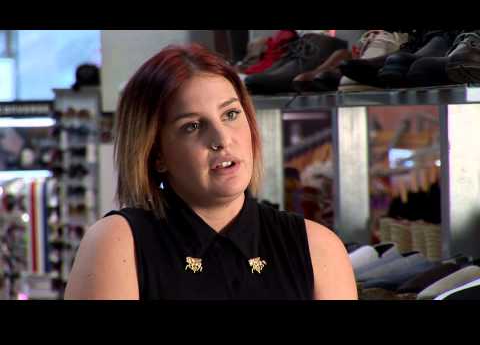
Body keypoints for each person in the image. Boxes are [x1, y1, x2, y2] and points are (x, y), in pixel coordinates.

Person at [64, 43, 357, 300]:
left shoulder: (319, 249)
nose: (222, 139)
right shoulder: (116, 245)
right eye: (192, 126)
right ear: (156, 154)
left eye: (230, 114)